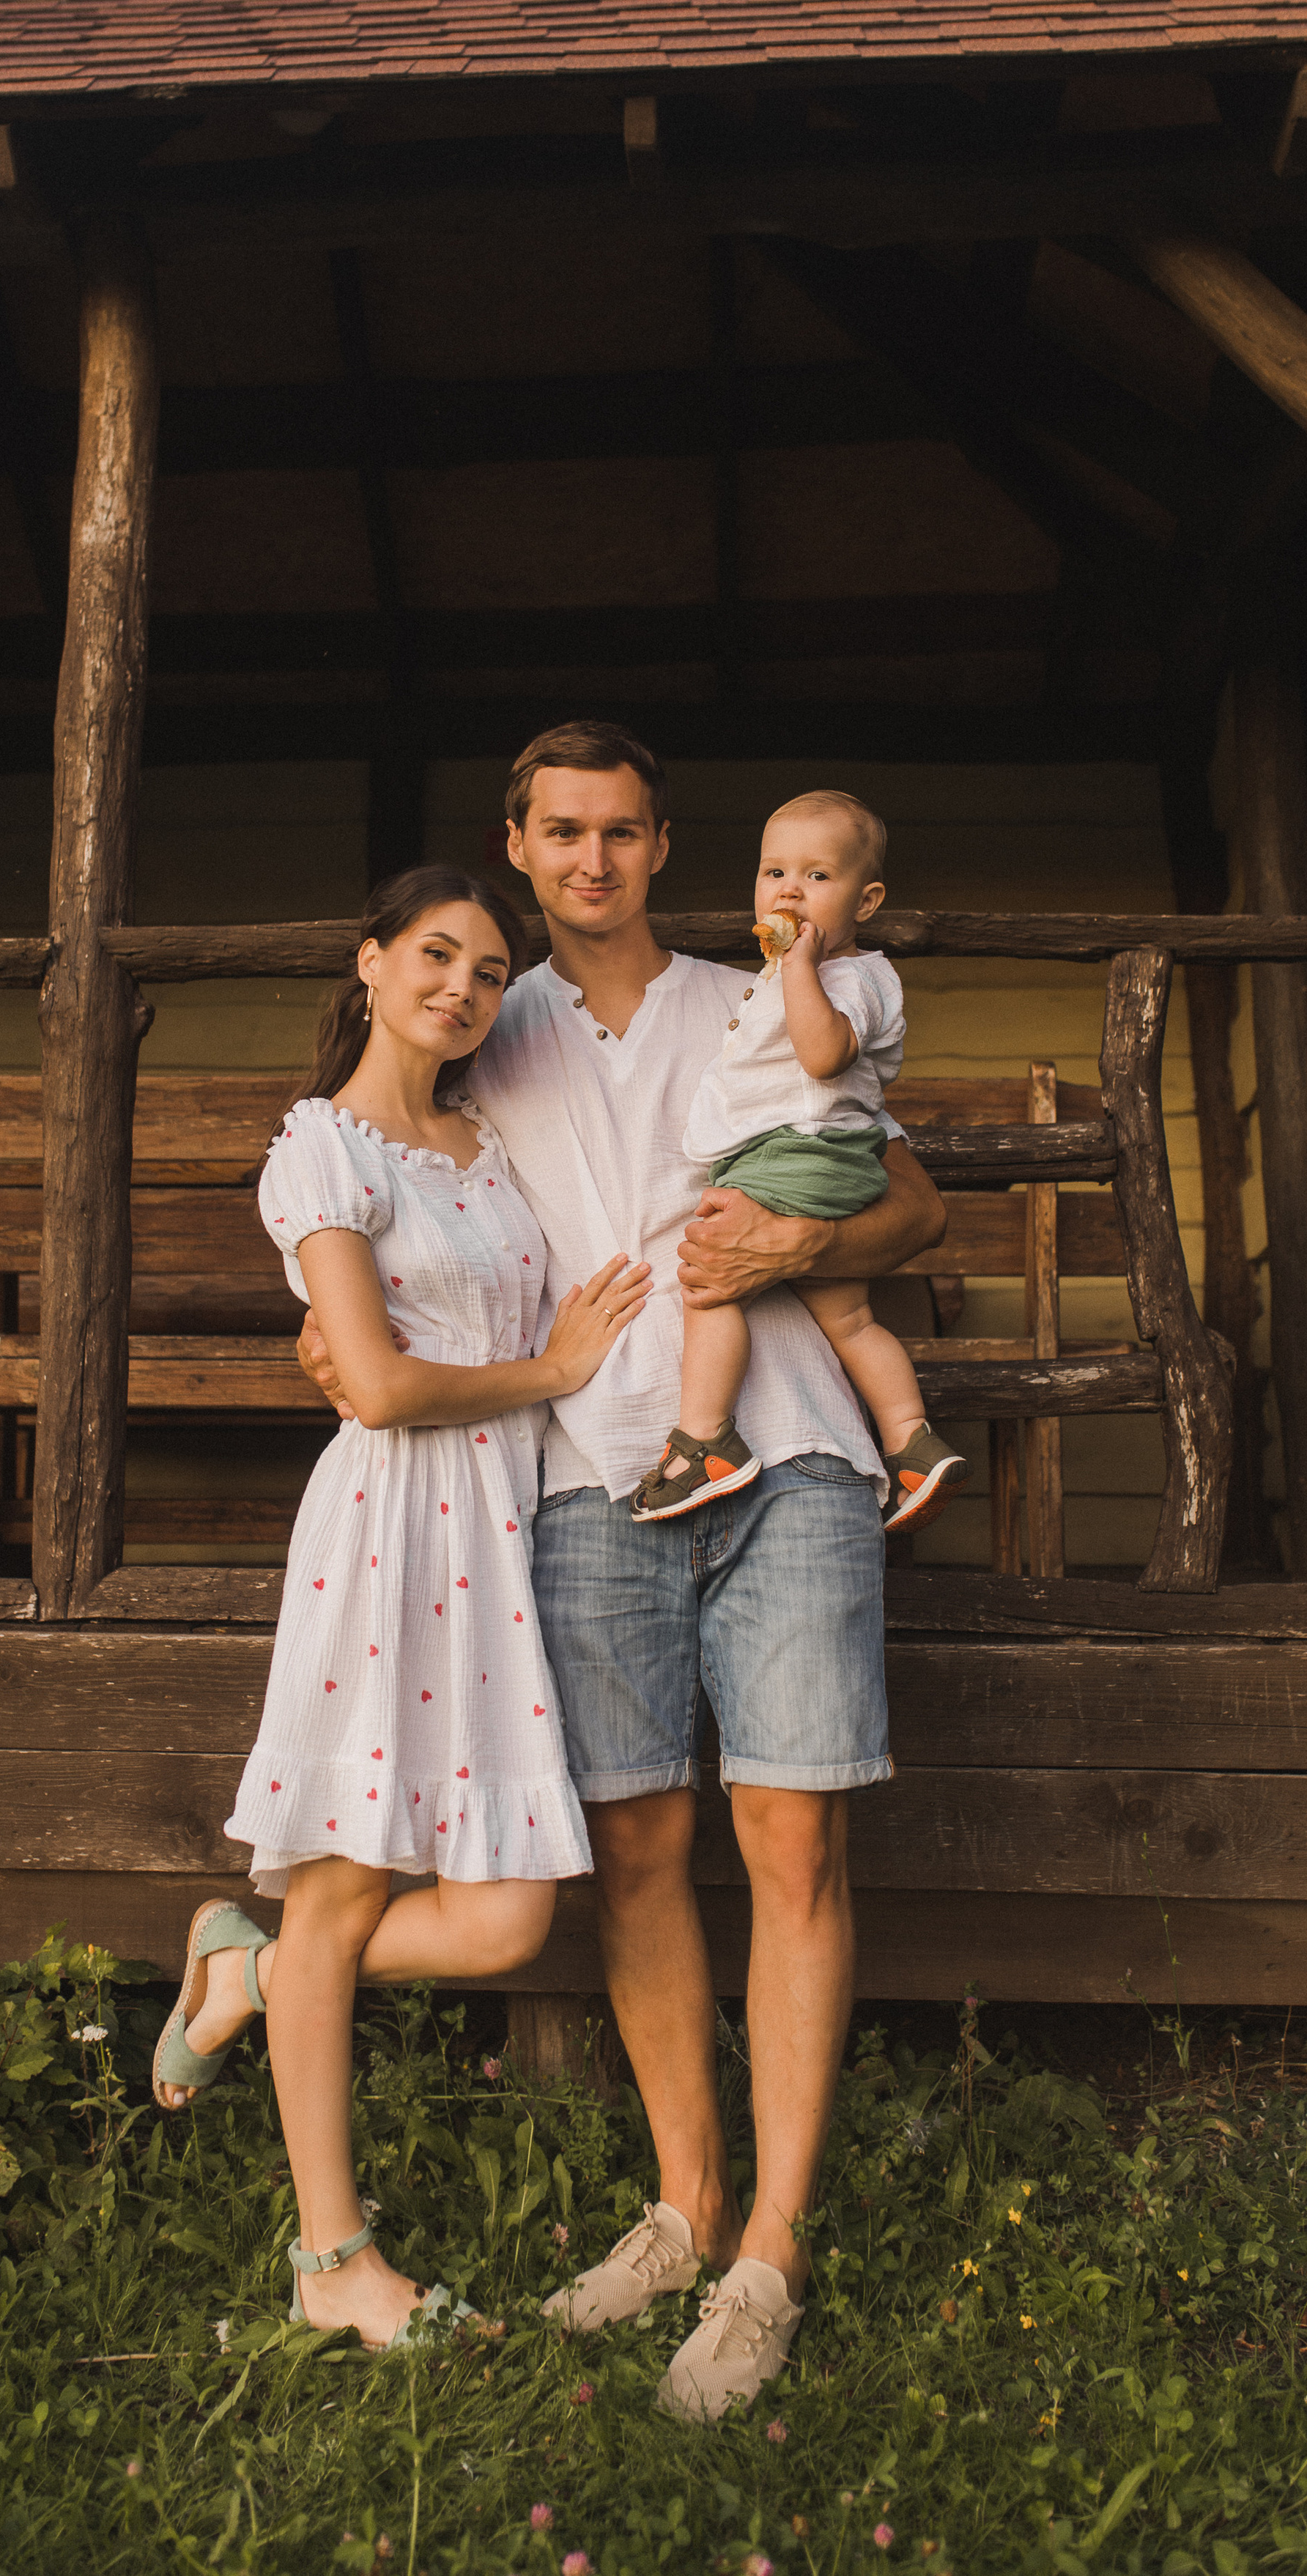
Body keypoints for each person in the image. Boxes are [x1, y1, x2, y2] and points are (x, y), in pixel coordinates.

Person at [300, 727, 948, 2420]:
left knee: (791, 1828)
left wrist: (808, 1240)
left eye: (621, 831)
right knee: (637, 1848)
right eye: (559, 831)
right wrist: (336, 1319)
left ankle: (771, 2257)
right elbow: (372, 1179)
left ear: (663, 842)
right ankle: (683, 2208)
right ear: (516, 843)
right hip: (584, 1475)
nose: (591, 858)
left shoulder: (760, 996)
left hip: (791, 1447)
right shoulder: (476, 1015)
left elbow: (915, 1204)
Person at [152, 864, 649, 2355]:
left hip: (499, 1534)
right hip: (390, 1536)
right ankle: (333, 2261)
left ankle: (248, 1961)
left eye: (491, 971)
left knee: (501, 1918)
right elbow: (369, 1383)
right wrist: (550, 1377)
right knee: (347, 1892)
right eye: (435, 954)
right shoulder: (321, 1151)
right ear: (368, 963)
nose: (461, 987)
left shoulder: (486, 1143)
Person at [629, 787, 967, 1536]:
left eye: (817, 876)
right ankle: (911, 1440)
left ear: (866, 898)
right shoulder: (808, 974)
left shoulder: (849, 976)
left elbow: (823, 1057)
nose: (789, 889)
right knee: (848, 1316)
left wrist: (798, 967)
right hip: (826, 1161)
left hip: (795, 1155)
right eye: (773, 871)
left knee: (711, 1283)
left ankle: (705, 1441)